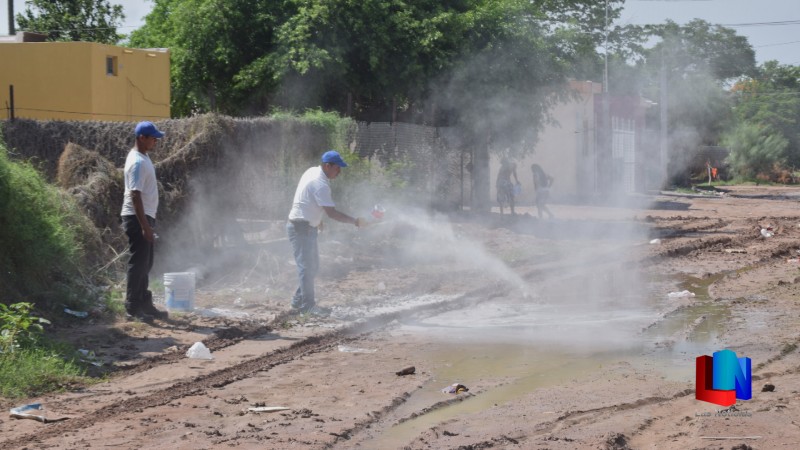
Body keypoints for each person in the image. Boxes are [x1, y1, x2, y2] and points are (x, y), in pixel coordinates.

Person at [287, 150, 365, 316]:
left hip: (305, 225)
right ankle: (307, 306)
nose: (339, 172)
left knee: (312, 266)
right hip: (301, 227)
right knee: (307, 268)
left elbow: (305, 198)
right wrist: (355, 221)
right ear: (327, 166)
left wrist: (317, 219)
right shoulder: (320, 183)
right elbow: (332, 213)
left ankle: (298, 300)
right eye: (337, 168)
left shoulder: (312, 170)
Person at [121, 121, 169, 321]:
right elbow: (135, 195)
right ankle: (133, 307)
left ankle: (144, 303)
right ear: (142, 138)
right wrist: (145, 226)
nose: (156, 141)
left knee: (146, 263)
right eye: (153, 138)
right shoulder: (138, 162)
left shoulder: (143, 157)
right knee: (138, 263)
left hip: (144, 216)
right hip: (136, 217)